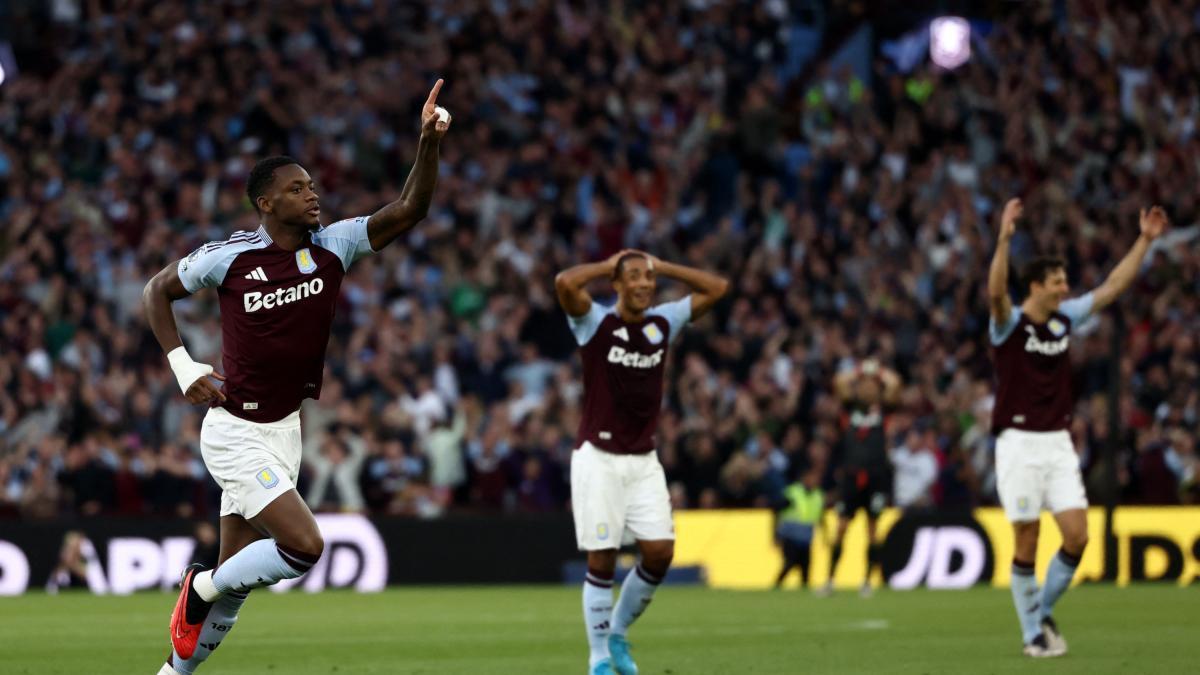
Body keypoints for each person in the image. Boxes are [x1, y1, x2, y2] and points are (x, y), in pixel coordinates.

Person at [142, 80, 452, 675]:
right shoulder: (229, 257)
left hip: (286, 431)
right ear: (266, 202)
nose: (312, 196)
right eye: (296, 188)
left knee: (239, 588)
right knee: (304, 547)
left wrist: (427, 142)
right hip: (234, 430)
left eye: (312, 185)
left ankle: (173, 670)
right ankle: (199, 586)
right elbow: (156, 290)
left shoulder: (335, 246)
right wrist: (184, 367)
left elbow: (410, 209)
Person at [987, 198, 1167, 657]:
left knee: (1078, 536)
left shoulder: (1066, 319)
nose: (1066, 288)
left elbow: (1110, 289)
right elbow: (994, 294)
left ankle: (1039, 612)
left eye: (1065, 281)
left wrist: (1144, 242)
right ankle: (1032, 637)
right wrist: (1005, 239)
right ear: (1035, 287)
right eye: (1058, 282)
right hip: (1019, 443)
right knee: (1027, 536)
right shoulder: (1009, 326)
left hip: (1058, 444)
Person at [555, 250, 728, 675]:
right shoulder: (594, 322)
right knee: (602, 560)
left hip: (643, 459)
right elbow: (564, 283)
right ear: (617, 283)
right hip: (598, 458)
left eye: (648, 279)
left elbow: (718, 288)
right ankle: (597, 659)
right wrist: (608, 264)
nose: (643, 284)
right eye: (633, 277)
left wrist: (663, 266)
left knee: (659, 553)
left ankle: (616, 634)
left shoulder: (663, 322)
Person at [819, 359, 901, 598]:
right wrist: (859, 371)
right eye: (863, 385)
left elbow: (895, 383)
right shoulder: (849, 409)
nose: (867, 389)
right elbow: (839, 381)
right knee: (841, 528)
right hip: (851, 477)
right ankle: (830, 580)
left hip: (876, 477)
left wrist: (879, 371)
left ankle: (867, 581)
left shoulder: (884, 410)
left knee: (873, 530)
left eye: (872, 386)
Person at [773, 468, 825, 590]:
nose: (815, 481)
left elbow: (820, 516)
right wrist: (776, 534)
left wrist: (825, 535)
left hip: (806, 538)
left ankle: (803, 589)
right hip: (790, 535)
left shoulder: (818, 495)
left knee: (805, 567)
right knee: (790, 563)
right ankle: (777, 585)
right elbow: (778, 510)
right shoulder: (793, 493)